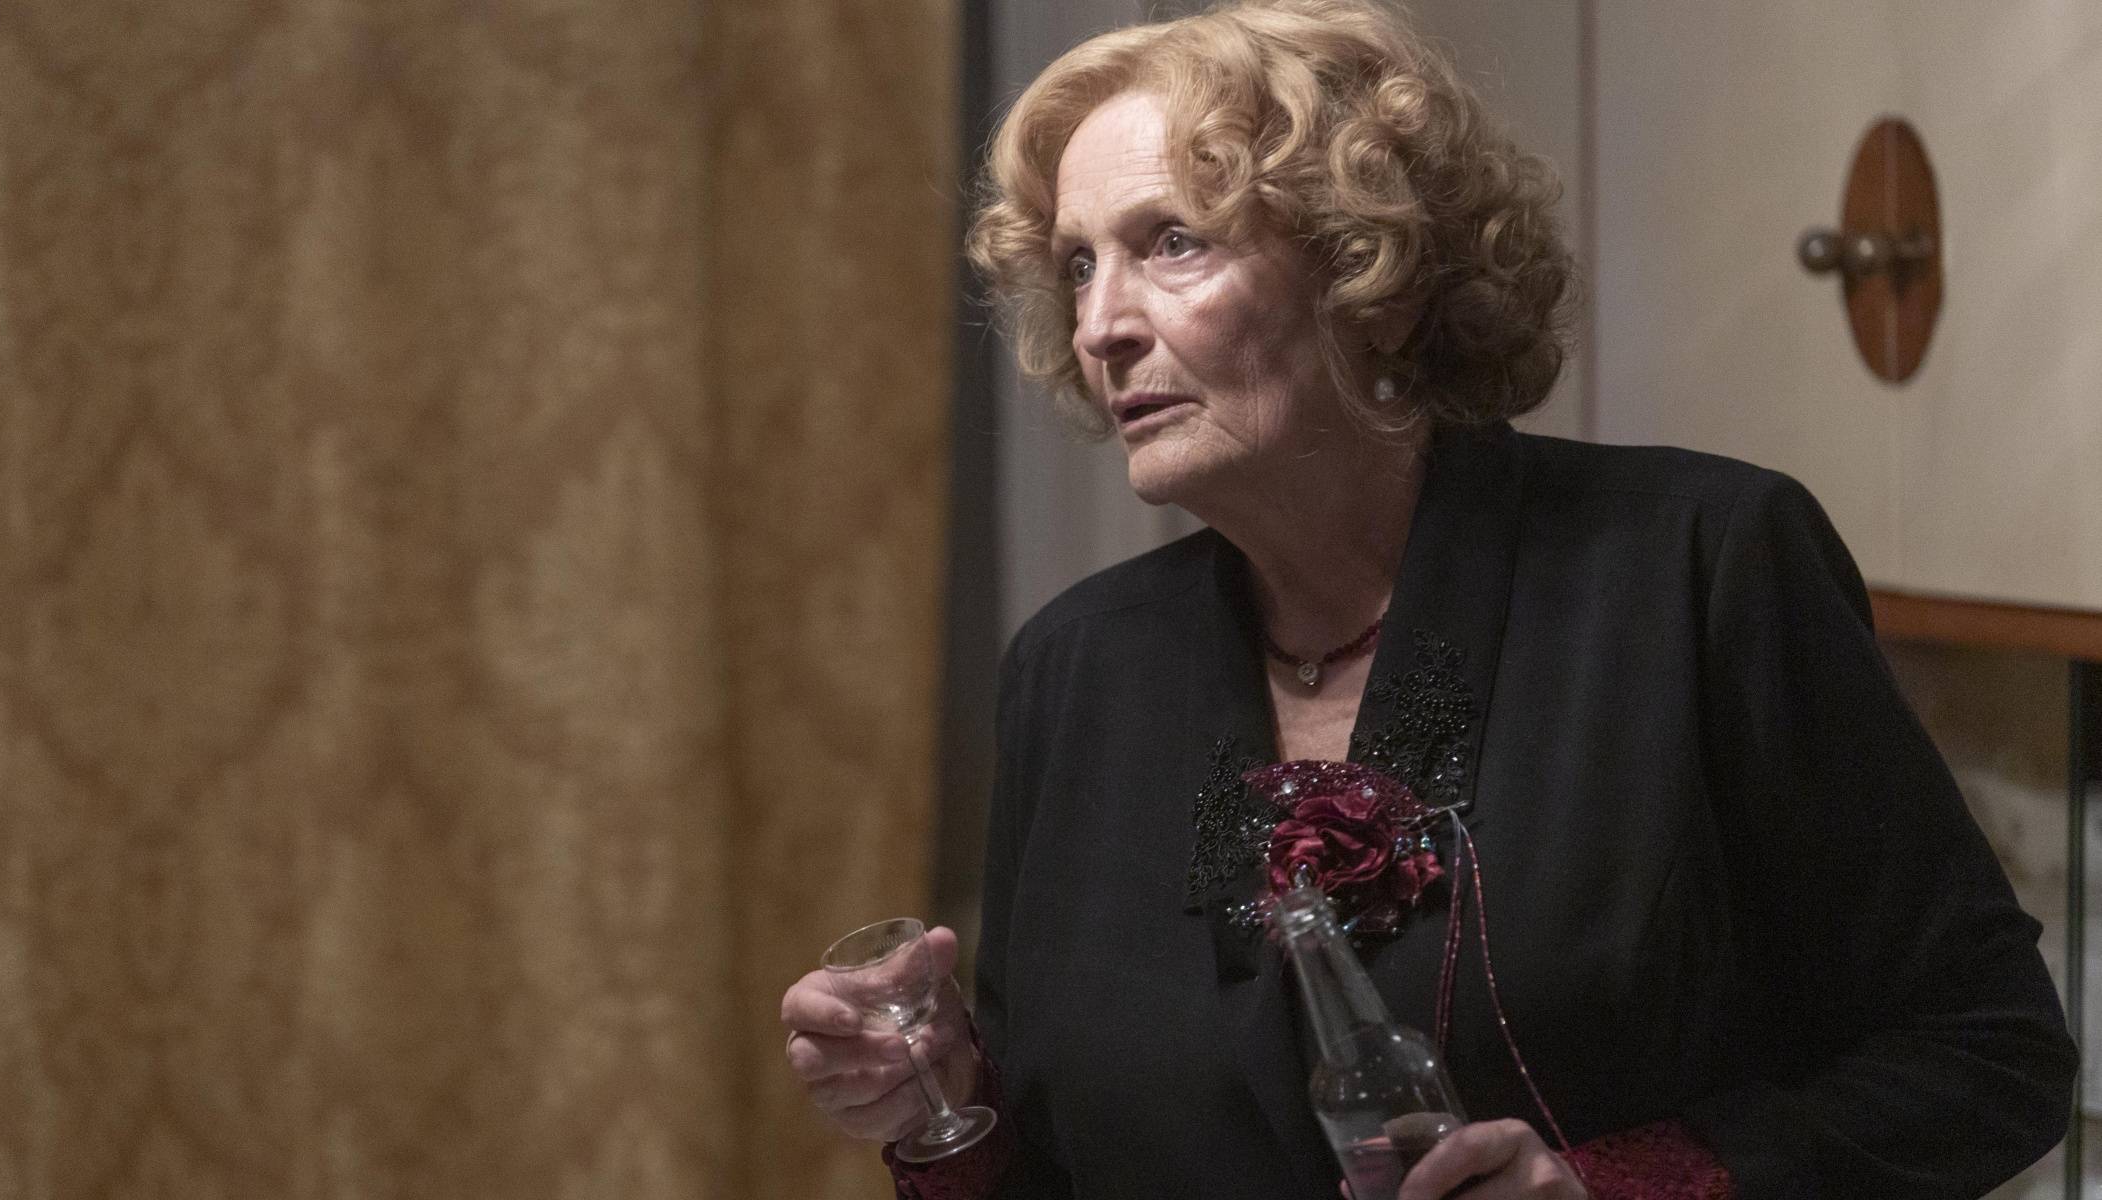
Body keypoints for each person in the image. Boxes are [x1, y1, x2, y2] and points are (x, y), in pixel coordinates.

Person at [780, 0, 2078, 1196]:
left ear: (1372, 278)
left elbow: (1986, 1054)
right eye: (1076, 265)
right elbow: (1055, 1162)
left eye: (1171, 242)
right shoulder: (1074, 669)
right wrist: (947, 1103)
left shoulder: (1698, 566)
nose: (1099, 325)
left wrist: (1617, 1188)